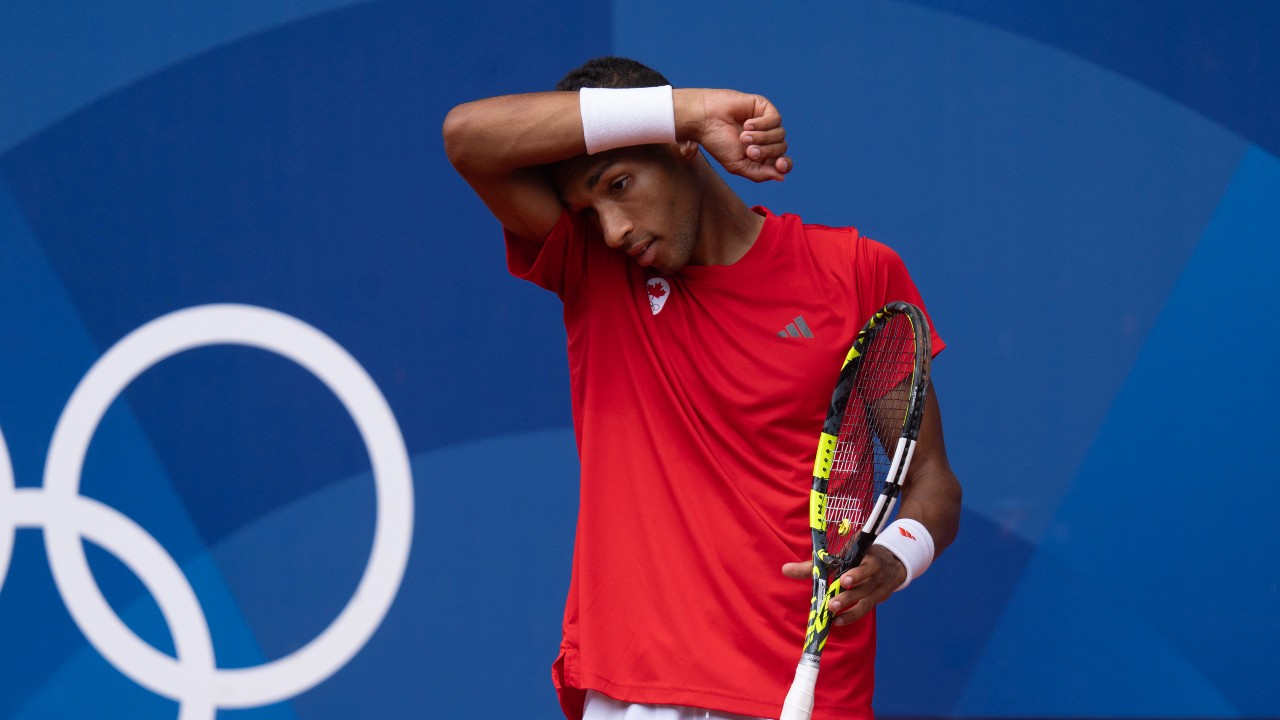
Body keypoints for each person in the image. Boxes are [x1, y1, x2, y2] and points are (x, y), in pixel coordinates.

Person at [442, 57, 961, 720]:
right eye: (588, 209)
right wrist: (691, 107)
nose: (612, 228)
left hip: (812, 691)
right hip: (642, 690)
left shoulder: (854, 272)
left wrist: (892, 558)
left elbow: (934, 485)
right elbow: (467, 137)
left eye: (619, 184)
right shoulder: (593, 268)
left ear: (681, 150)